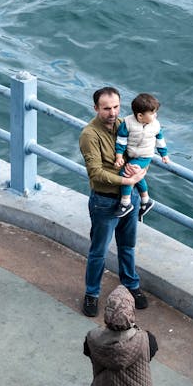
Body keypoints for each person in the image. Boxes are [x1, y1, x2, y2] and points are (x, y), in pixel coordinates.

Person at [79, 87, 149, 317]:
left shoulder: (126, 125)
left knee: (127, 246)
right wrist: (126, 179)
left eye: (116, 107)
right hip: (104, 201)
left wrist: (137, 169)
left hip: (131, 197)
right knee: (98, 251)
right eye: (107, 108)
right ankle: (91, 293)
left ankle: (131, 284)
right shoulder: (89, 135)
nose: (112, 112)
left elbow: (142, 151)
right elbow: (95, 173)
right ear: (96, 108)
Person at [114, 93, 170, 221]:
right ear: (140, 115)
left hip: (145, 156)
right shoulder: (127, 123)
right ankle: (145, 201)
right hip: (131, 154)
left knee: (127, 173)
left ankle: (125, 203)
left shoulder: (155, 125)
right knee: (136, 174)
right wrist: (119, 156)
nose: (155, 115)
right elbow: (121, 141)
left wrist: (164, 155)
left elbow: (160, 140)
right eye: (152, 113)